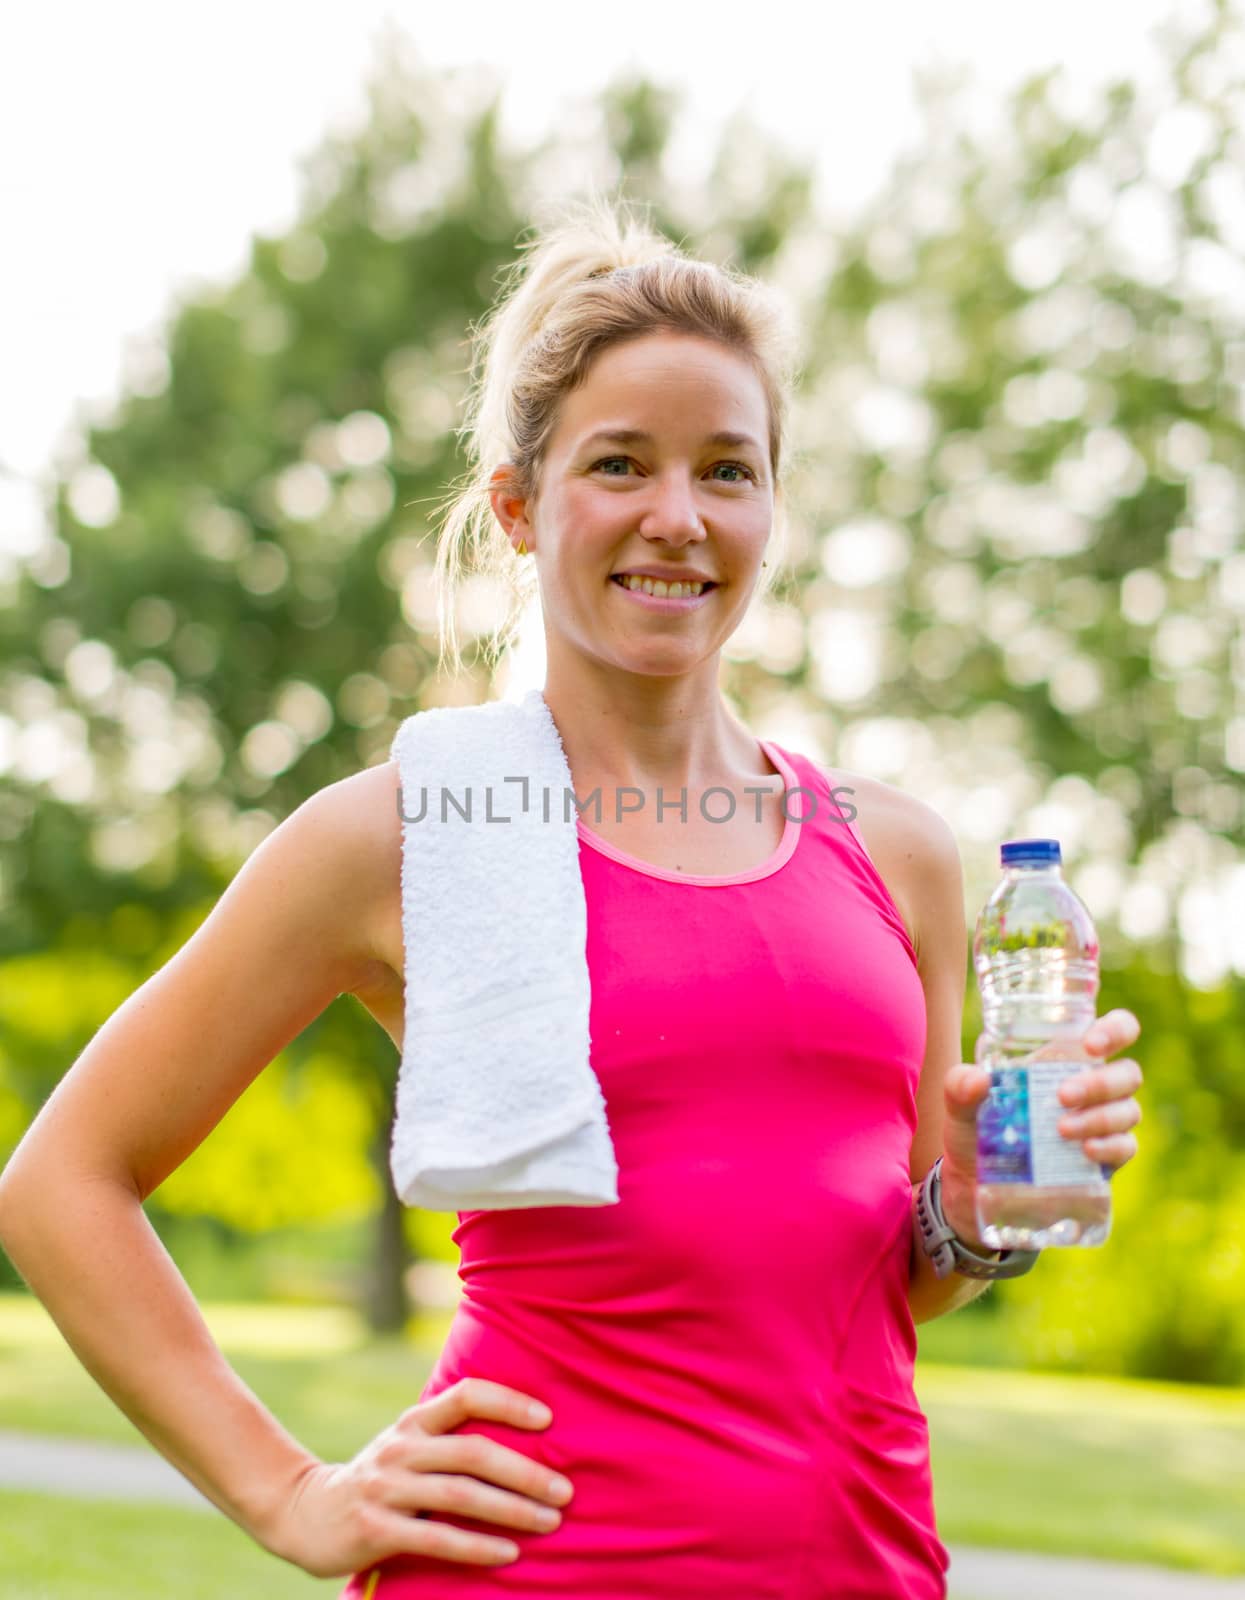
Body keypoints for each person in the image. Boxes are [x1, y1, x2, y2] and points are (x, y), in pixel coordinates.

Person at [0, 191, 1144, 1599]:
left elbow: (895, 1273)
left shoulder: (895, 851)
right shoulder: (408, 834)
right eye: (619, 464)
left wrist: (974, 1207)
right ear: (518, 505)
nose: (677, 517)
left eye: (728, 470)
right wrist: (289, 1492)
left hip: (860, 1567)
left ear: (773, 510)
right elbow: (62, 1183)